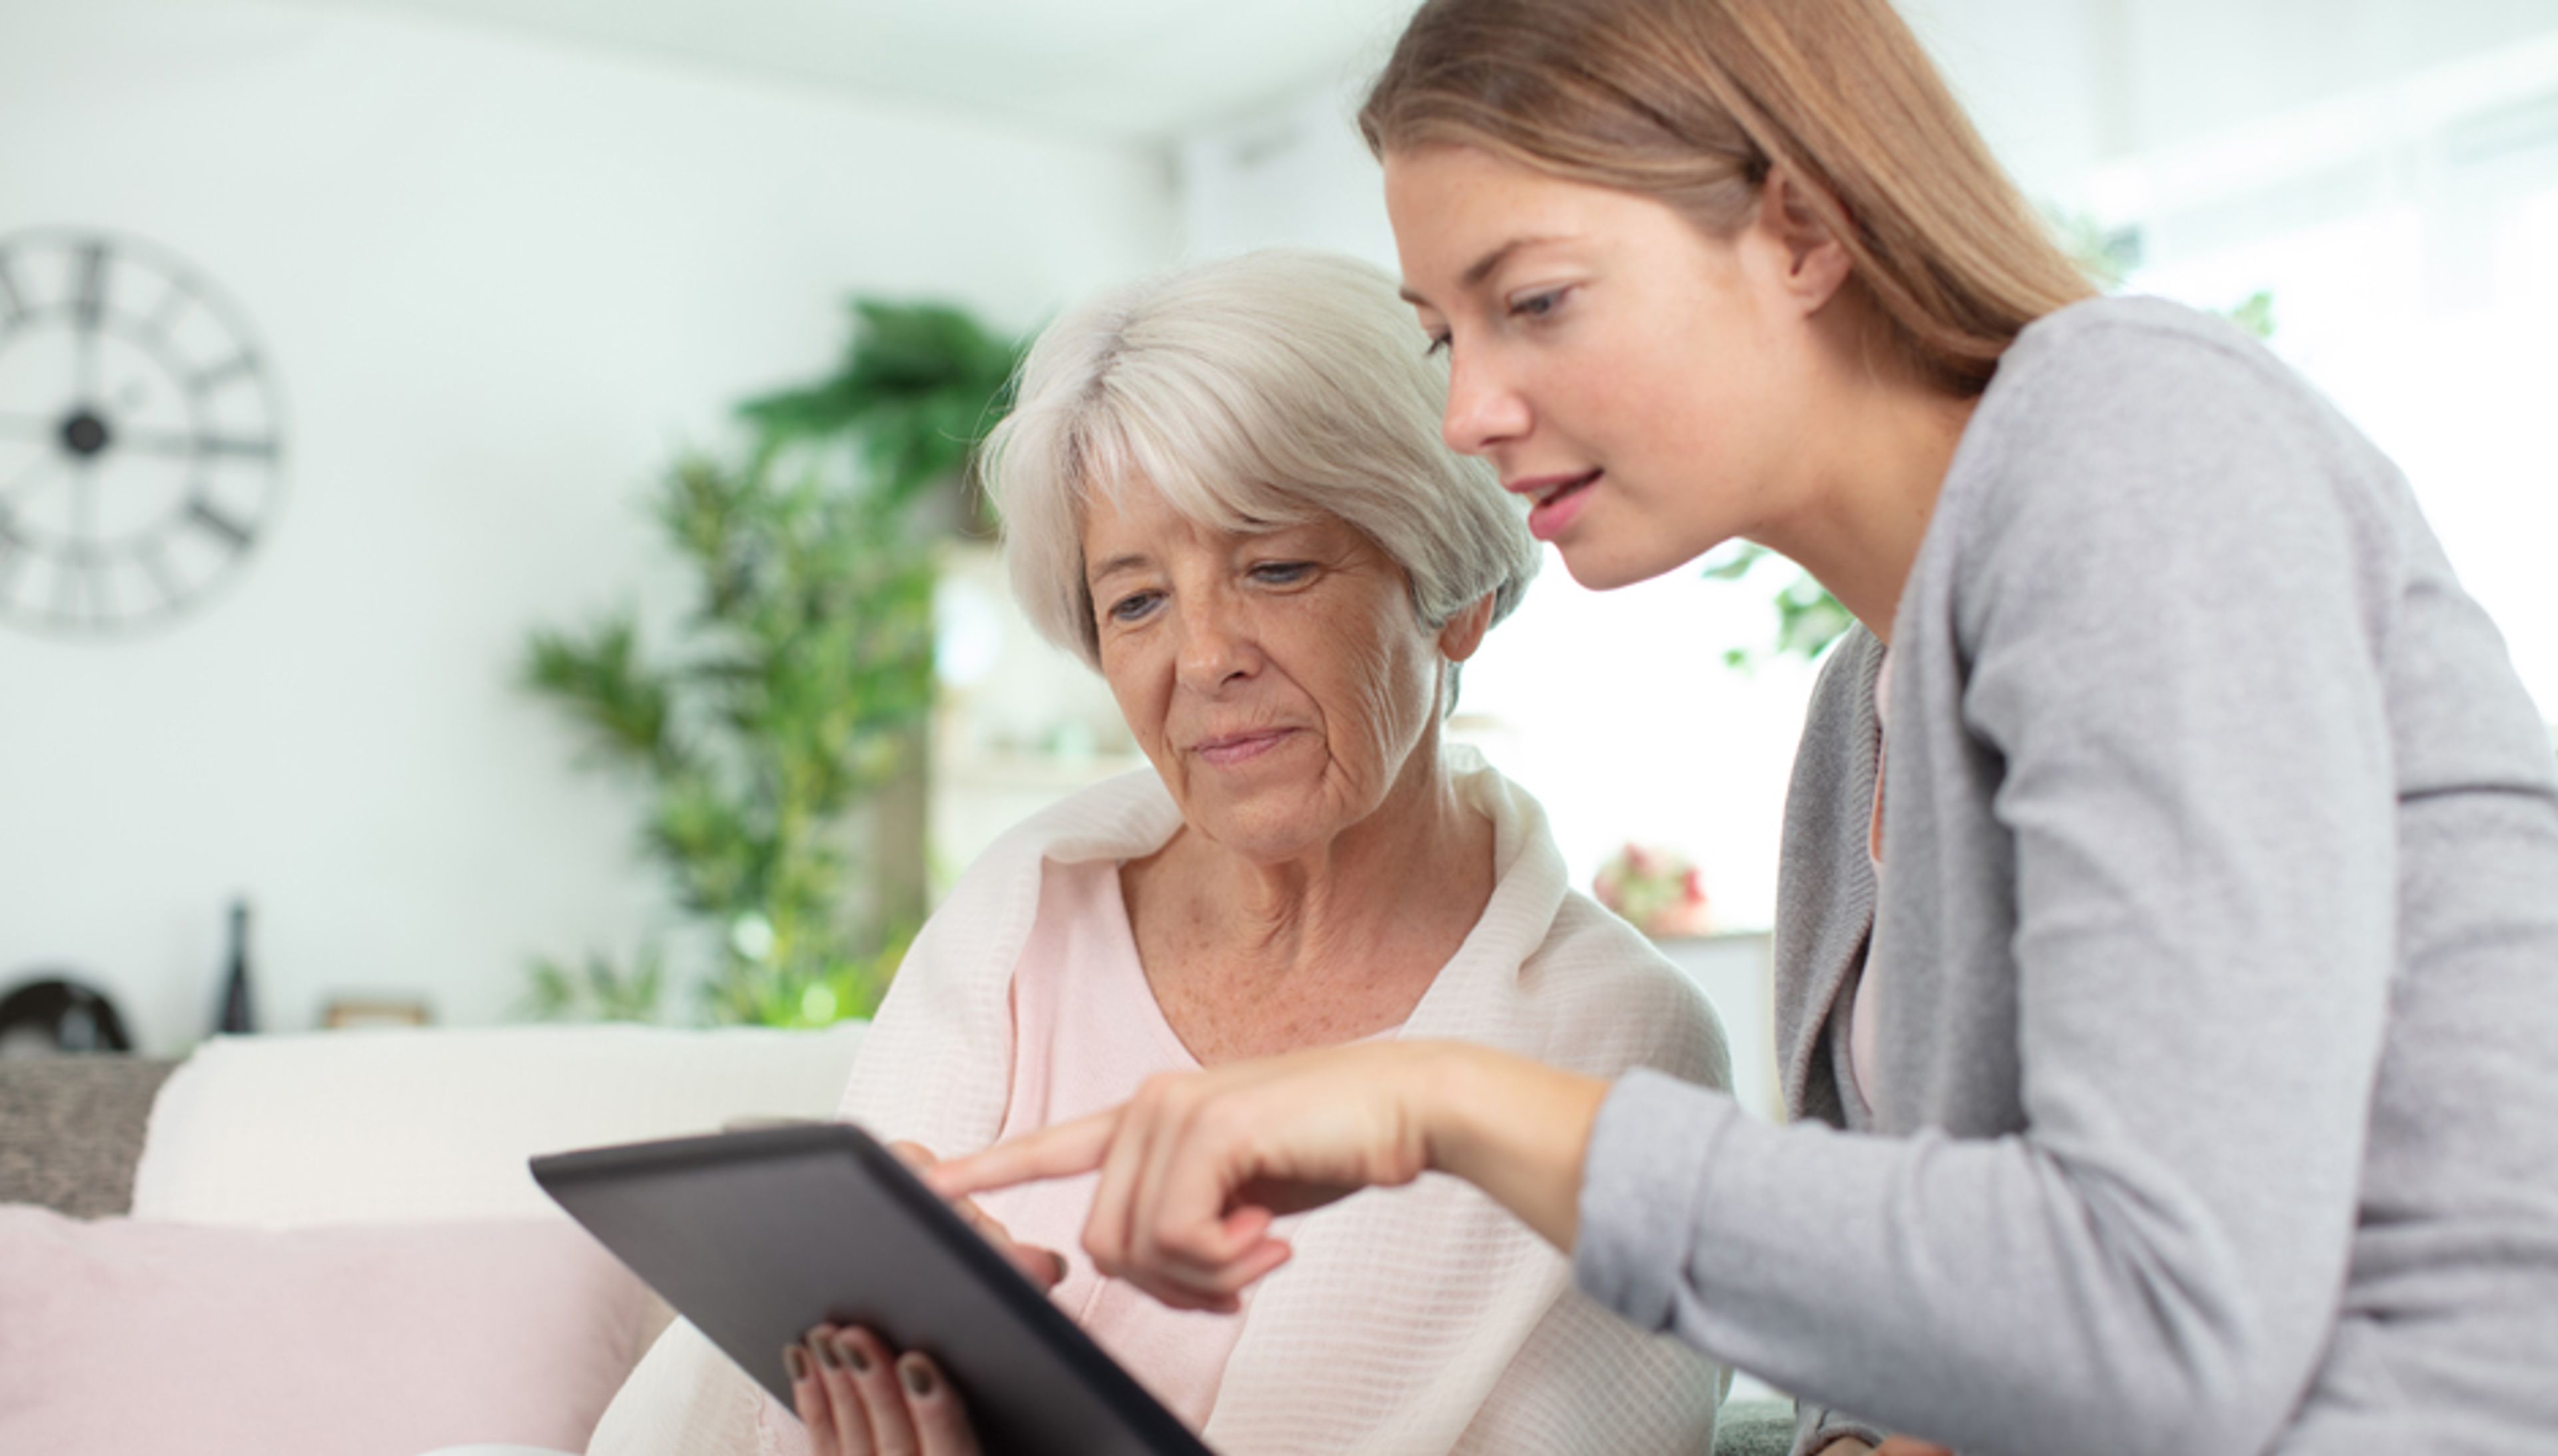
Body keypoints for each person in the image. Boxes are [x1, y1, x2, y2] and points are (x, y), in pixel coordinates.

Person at [931, 3, 2558, 1455]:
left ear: (1798, 227)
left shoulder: (2137, 442)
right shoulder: (1859, 714)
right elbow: (1911, 1331)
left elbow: (2166, 1319)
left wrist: (1446, 1102)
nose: (1466, 414)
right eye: (1446, 333)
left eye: (1537, 302)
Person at [582, 248, 1732, 1456]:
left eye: (1276, 567)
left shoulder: (1621, 1041)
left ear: (1454, 593)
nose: (1202, 658)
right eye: (1135, 601)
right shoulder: (1023, 917)